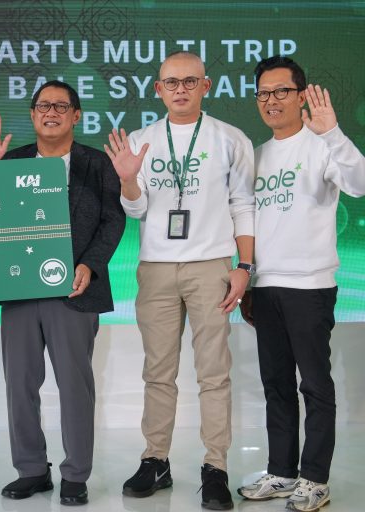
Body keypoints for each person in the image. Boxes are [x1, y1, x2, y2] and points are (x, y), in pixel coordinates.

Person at [104, 51, 255, 510]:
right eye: (171, 82)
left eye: (190, 81)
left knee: (214, 373)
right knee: (158, 372)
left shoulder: (230, 138)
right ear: (158, 89)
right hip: (156, 268)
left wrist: (244, 266)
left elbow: (243, 204)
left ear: (206, 86)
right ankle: (156, 459)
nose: (181, 89)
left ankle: (216, 467)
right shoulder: (142, 140)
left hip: (212, 266)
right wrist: (128, 180)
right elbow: (136, 209)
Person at [0, 80, 125, 505]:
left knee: (75, 385)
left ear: (77, 115)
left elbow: (113, 220)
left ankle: (76, 474)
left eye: (61, 105)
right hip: (19, 289)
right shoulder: (10, 160)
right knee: (19, 383)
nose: (51, 112)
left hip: (75, 290)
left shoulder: (97, 163)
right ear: (33, 114)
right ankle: (32, 470)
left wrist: (90, 265)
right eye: (43, 105)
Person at [237, 56, 365, 512]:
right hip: (265, 286)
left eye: (281, 91)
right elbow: (248, 220)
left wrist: (333, 133)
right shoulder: (256, 155)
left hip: (310, 286)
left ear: (300, 94)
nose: (271, 100)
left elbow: (359, 183)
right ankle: (282, 472)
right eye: (263, 93)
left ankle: (315, 479)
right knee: (275, 384)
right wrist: (248, 279)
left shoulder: (322, 144)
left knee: (314, 385)